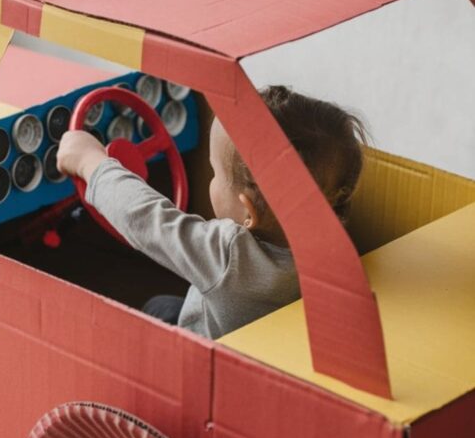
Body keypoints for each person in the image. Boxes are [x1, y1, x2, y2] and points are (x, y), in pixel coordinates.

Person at [56, 85, 367, 340]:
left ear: (248, 212)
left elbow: (146, 218)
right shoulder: (334, 238)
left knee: (151, 309)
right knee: (165, 303)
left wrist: (91, 162)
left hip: (202, 360)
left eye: (214, 172)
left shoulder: (230, 257)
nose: (211, 178)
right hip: (260, 349)